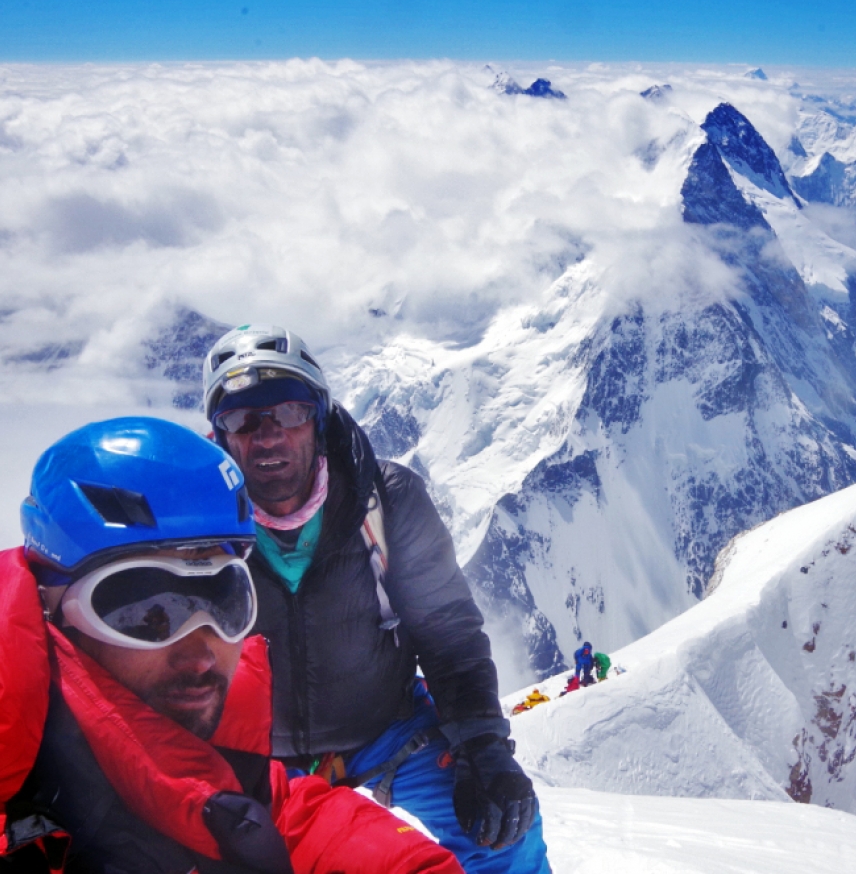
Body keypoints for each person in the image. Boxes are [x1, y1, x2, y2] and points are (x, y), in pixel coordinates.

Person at [1, 417, 462, 873]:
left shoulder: (221, 760)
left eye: (225, 601)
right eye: (145, 613)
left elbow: (287, 818)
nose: (201, 655)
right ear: (52, 612)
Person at [201, 324, 549, 874]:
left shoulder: (386, 500)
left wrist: (483, 748)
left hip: (386, 727)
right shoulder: (195, 529)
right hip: (256, 755)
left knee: (506, 834)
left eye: (288, 413)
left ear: (318, 416)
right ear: (221, 436)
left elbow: (448, 633)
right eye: (244, 420)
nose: (268, 436)